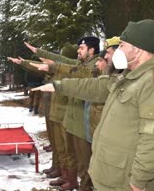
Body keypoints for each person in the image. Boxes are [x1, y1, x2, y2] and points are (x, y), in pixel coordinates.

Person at [32, 19, 154, 191]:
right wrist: (58, 86)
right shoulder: (130, 75)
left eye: (122, 45)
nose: (117, 51)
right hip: (111, 175)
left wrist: (139, 181)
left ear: (138, 49)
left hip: (127, 182)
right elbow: (97, 86)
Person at [26, 37, 100, 191]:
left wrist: (54, 66)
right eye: (78, 48)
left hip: (83, 121)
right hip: (72, 118)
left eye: (82, 48)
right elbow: (61, 59)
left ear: (92, 50)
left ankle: (85, 187)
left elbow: (76, 70)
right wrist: (38, 52)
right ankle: (73, 180)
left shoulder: (95, 66)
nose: (79, 51)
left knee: (85, 161)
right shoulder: (82, 63)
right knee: (73, 155)